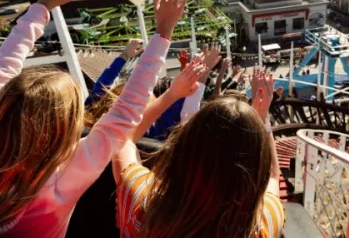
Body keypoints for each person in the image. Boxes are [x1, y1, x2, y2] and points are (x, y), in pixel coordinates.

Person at [0, 0, 188, 238]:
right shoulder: (61, 177)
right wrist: (163, 32)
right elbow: (126, 113)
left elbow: (0, 68)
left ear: (2, 101)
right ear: (64, 128)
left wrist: (43, 5)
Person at [113, 71, 285, 238]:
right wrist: (262, 119)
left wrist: (172, 94)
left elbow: (122, 140)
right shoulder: (263, 224)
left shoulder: (144, 204)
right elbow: (273, 178)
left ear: (183, 147)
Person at [84, 39, 144, 106]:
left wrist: (125, 55)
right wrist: (125, 56)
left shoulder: (90, 108)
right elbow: (101, 90)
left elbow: (99, 93)